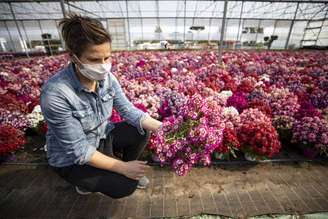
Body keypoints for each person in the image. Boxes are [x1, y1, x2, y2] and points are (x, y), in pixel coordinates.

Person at [40, 13, 163, 198]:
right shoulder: (56, 94)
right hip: (71, 160)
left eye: (107, 58)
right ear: (73, 57)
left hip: (100, 139)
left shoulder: (107, 79)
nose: (104, 66)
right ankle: (87, 183)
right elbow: (79, 151)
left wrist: (165, 129)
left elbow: (128, 110)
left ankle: (127, 167)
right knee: (126, 186)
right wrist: (122, 168)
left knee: (140, 129)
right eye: (94, 60)